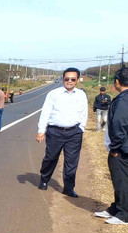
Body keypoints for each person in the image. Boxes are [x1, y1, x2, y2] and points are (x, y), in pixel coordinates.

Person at [36, 67, 88, 197]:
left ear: (77, 80)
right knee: (50, 157)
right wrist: (41, 130)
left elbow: (84, 112)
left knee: (72, 162)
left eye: (73, 79)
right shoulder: (54, 94)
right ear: (63, 78)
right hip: (55, 132)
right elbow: (46, 112)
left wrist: (81, 128)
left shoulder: (81, 94)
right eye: (67, 79)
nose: (69, 81)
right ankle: (44, 179)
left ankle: (69, 188)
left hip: (74, 133)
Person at [95, 68, 128, 224]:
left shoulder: (122, 100)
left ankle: (123, 214)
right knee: (118, 180)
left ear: (117, 82)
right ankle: (116, 207)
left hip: (121, 149)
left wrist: (115, 148)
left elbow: (119, 125)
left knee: (121, 180)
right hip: (123, 147)